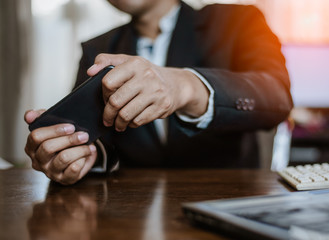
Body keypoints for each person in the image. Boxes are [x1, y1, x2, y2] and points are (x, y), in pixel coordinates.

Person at [24, 0, 293, 185]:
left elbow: (277, 95)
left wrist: (187, 86)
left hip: (228, 203)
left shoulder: (239, 21)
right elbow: (97, 137)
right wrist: (81, 156)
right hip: (129, 219)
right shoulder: (97, 48)